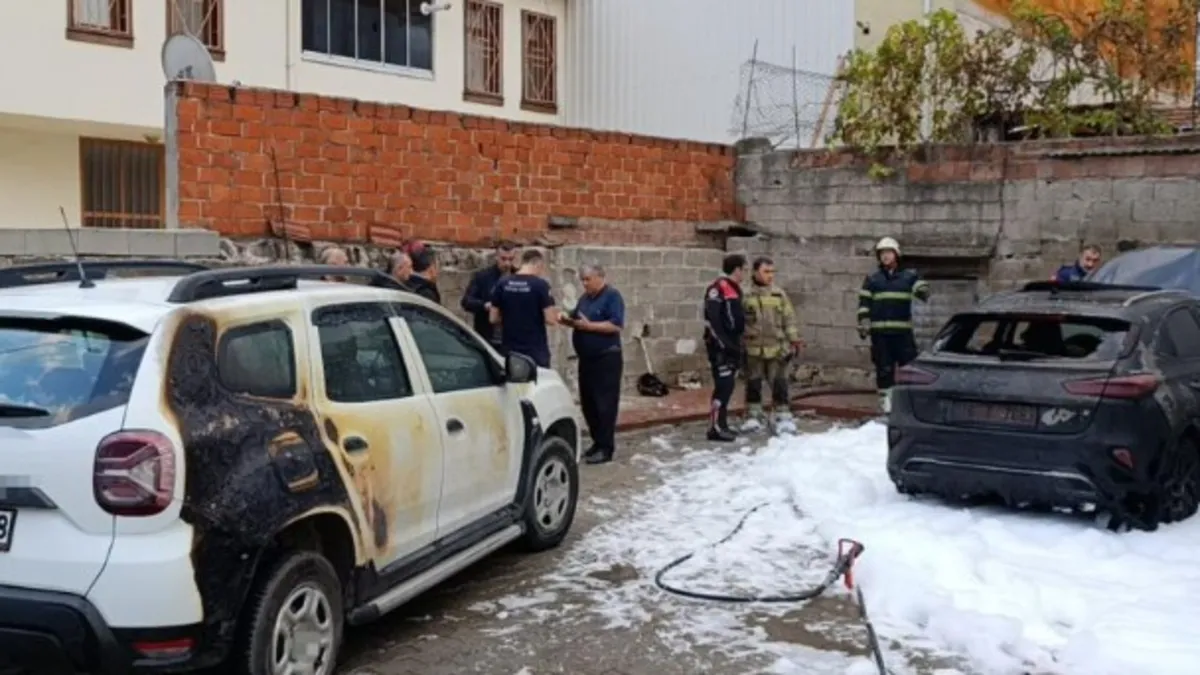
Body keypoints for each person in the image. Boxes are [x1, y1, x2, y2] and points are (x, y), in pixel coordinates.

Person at [857, 237, 930, 414]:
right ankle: (886, 404)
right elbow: (864, 303)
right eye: (882, 253)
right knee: (884, 369)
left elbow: (923, 289)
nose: (885, 256)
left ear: (896, 255)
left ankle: (909, 403)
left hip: (902, 333)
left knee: (909, 368)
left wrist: (922, 289)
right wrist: (864, 322)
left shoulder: (909, 277)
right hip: (880, 335)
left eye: (889, 253)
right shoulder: (872, 279)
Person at [562, 264, 625, 465]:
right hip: (587, 358)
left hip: (606, 357)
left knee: (604, 403)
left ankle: (606, 447)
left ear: (600, 277)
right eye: (582, 280)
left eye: (588, 279)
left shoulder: (612, 296)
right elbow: (577, 318)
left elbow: (616, 325)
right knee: (588, 403)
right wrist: (567, 320)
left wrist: (589, 326)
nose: (584, 283)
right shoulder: (584, 298)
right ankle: (597, 442)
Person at [742, 256, 803, 431]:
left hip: (776, 348)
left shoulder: (779, 294)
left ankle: (782, 414)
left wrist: (794, 339)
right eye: (766, 271)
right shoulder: (745, 295)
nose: (770, 275)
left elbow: (789, 319)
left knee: (779, 382)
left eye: (772, 272)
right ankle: (754, 415)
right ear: (755, 272)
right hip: (753, 348)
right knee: (753, 382)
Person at [703, 254, 748, 442]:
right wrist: (724, 345)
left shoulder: (735, 289)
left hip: (733, 344)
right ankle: (714, 426)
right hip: (720, 346)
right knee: (723, 385)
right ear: (737, 269)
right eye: (744, 269)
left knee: (729, 386)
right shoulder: (717, 289)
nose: (745, 273)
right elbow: (713, 321)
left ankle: (722, 424)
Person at [489, 249, 559, 368]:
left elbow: (493, 318)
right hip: (535, 351)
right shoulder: (541, 285)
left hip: (510, 350)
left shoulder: (502, 283)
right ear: (537, 264)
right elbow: (550, 319)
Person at [462, 242, 516, 346]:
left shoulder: (520, 277)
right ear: (496, 257)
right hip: (487, 337)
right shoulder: (483, 277)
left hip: (513, 338)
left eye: (511, 259)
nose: (507, 264)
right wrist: (485, 305)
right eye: (503, 259)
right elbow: (466, 301)